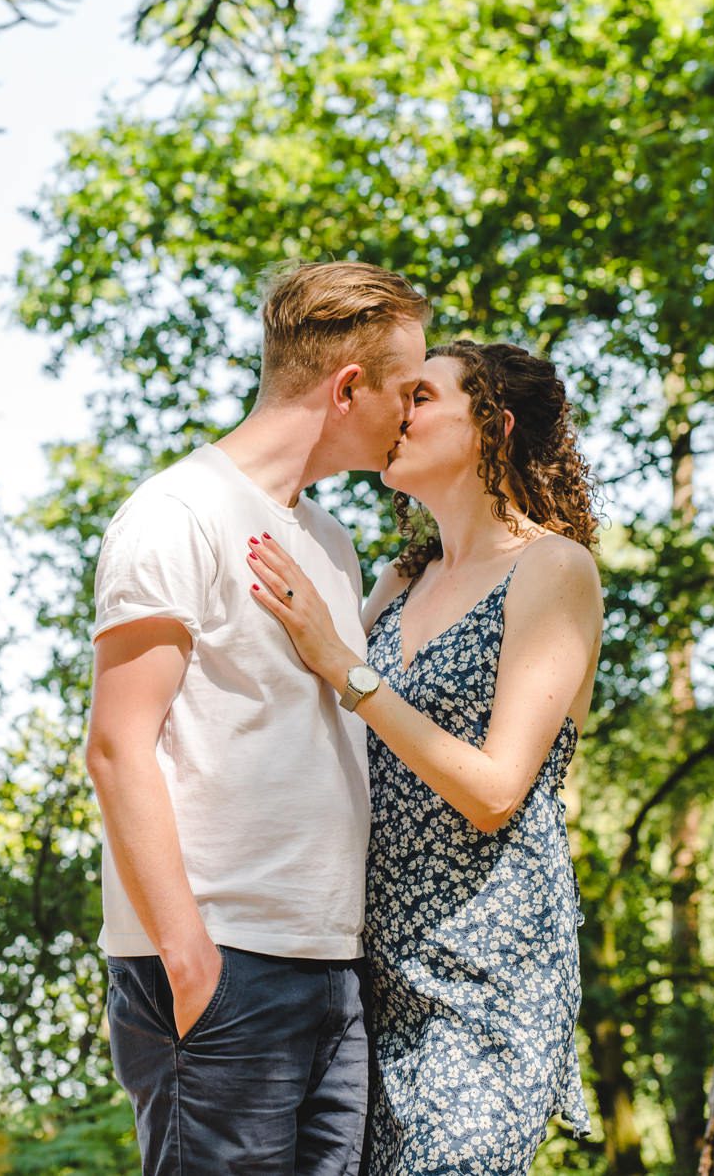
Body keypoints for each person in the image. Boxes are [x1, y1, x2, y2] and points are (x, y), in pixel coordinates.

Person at [85, 259, 430, 1175]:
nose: (415, 410)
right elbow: (119, 748)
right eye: (407, 388)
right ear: (350, 387)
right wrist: (189, 958)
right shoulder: (176, 514)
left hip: (331, 965)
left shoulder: (330, 541)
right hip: (222, 961)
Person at [249, 339, 601, 1175]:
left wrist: (345, 665)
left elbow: (496, 791)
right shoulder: (401, 580)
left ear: (494, 426)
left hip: (489, 977)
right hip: (367, 972)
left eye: (424, 398)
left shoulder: (553, 569)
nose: (399, 415)